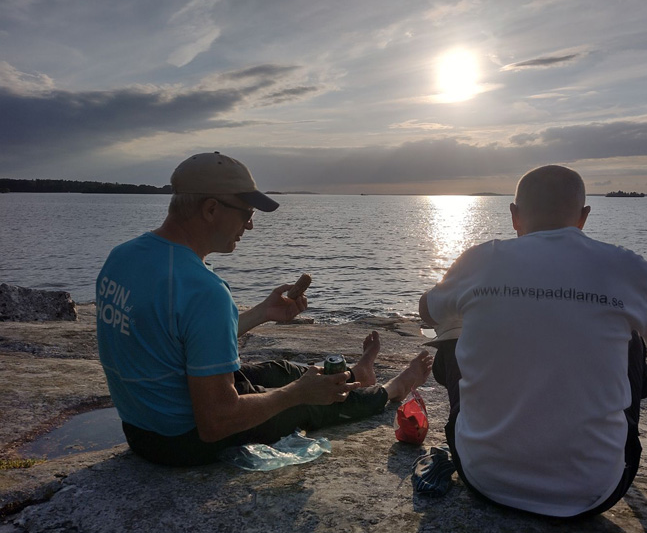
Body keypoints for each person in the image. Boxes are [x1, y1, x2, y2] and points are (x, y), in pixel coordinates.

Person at [96, 151, 432, 467]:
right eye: (247, 213)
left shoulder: (123, 257)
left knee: (280, 370)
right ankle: (390, 391)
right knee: (310, 401)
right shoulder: (202, 289)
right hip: (182, 441)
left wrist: (262, 313)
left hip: (141, 430)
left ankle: (359, 374)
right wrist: (296, 395)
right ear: (211, 209)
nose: (251, 225)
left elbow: (171, 339)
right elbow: (216, 422)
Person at [419, 165, 647, 518]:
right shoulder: (624, 266)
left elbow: (427, 314)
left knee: (453, 336)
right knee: (633, 337)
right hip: (595, 492)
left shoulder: (481, 259)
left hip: (484, 481)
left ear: (515, 215)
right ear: (583, 217)